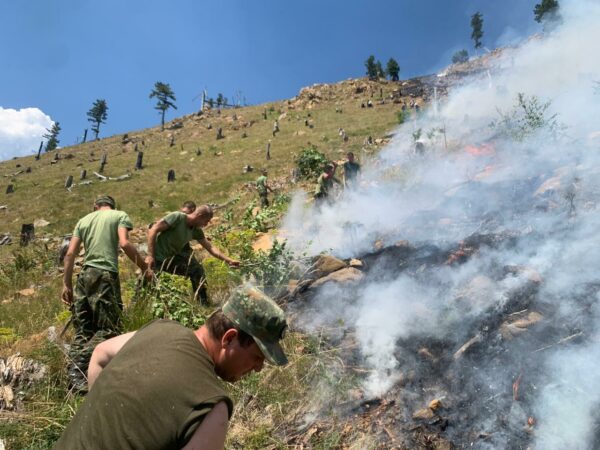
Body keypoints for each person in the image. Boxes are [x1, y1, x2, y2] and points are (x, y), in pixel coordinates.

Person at [55, 286, 288, 449]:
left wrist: (102, 412)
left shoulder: (158, 328)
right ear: (229, 338)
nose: (258, 368)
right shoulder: (211, 407)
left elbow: (101, 353)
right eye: (258, 357)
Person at [61, 195, 151, 392]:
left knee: (84, 330)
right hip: (104, 275)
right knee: (109, 327)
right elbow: (125, 244)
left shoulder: (83, 221)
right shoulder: (119, 215)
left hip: (83, 276)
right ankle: (78, 370)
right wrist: (144, 268)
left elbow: (69, 254)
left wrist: (66, 284)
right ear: (112, 205)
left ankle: (72, 377)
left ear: (95, 206)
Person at [146, 204, 239, 305]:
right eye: (206, 221)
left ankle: (203, 303)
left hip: (170, 260)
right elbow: (153, 230)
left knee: (197, 270)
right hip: (156, 258)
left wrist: (228, 260)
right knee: (146, 285)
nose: (206, 224)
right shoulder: (177, 217)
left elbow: (210, 248)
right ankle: (137, 304)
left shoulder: (196, 230)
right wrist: (150, 255)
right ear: (199, 215)